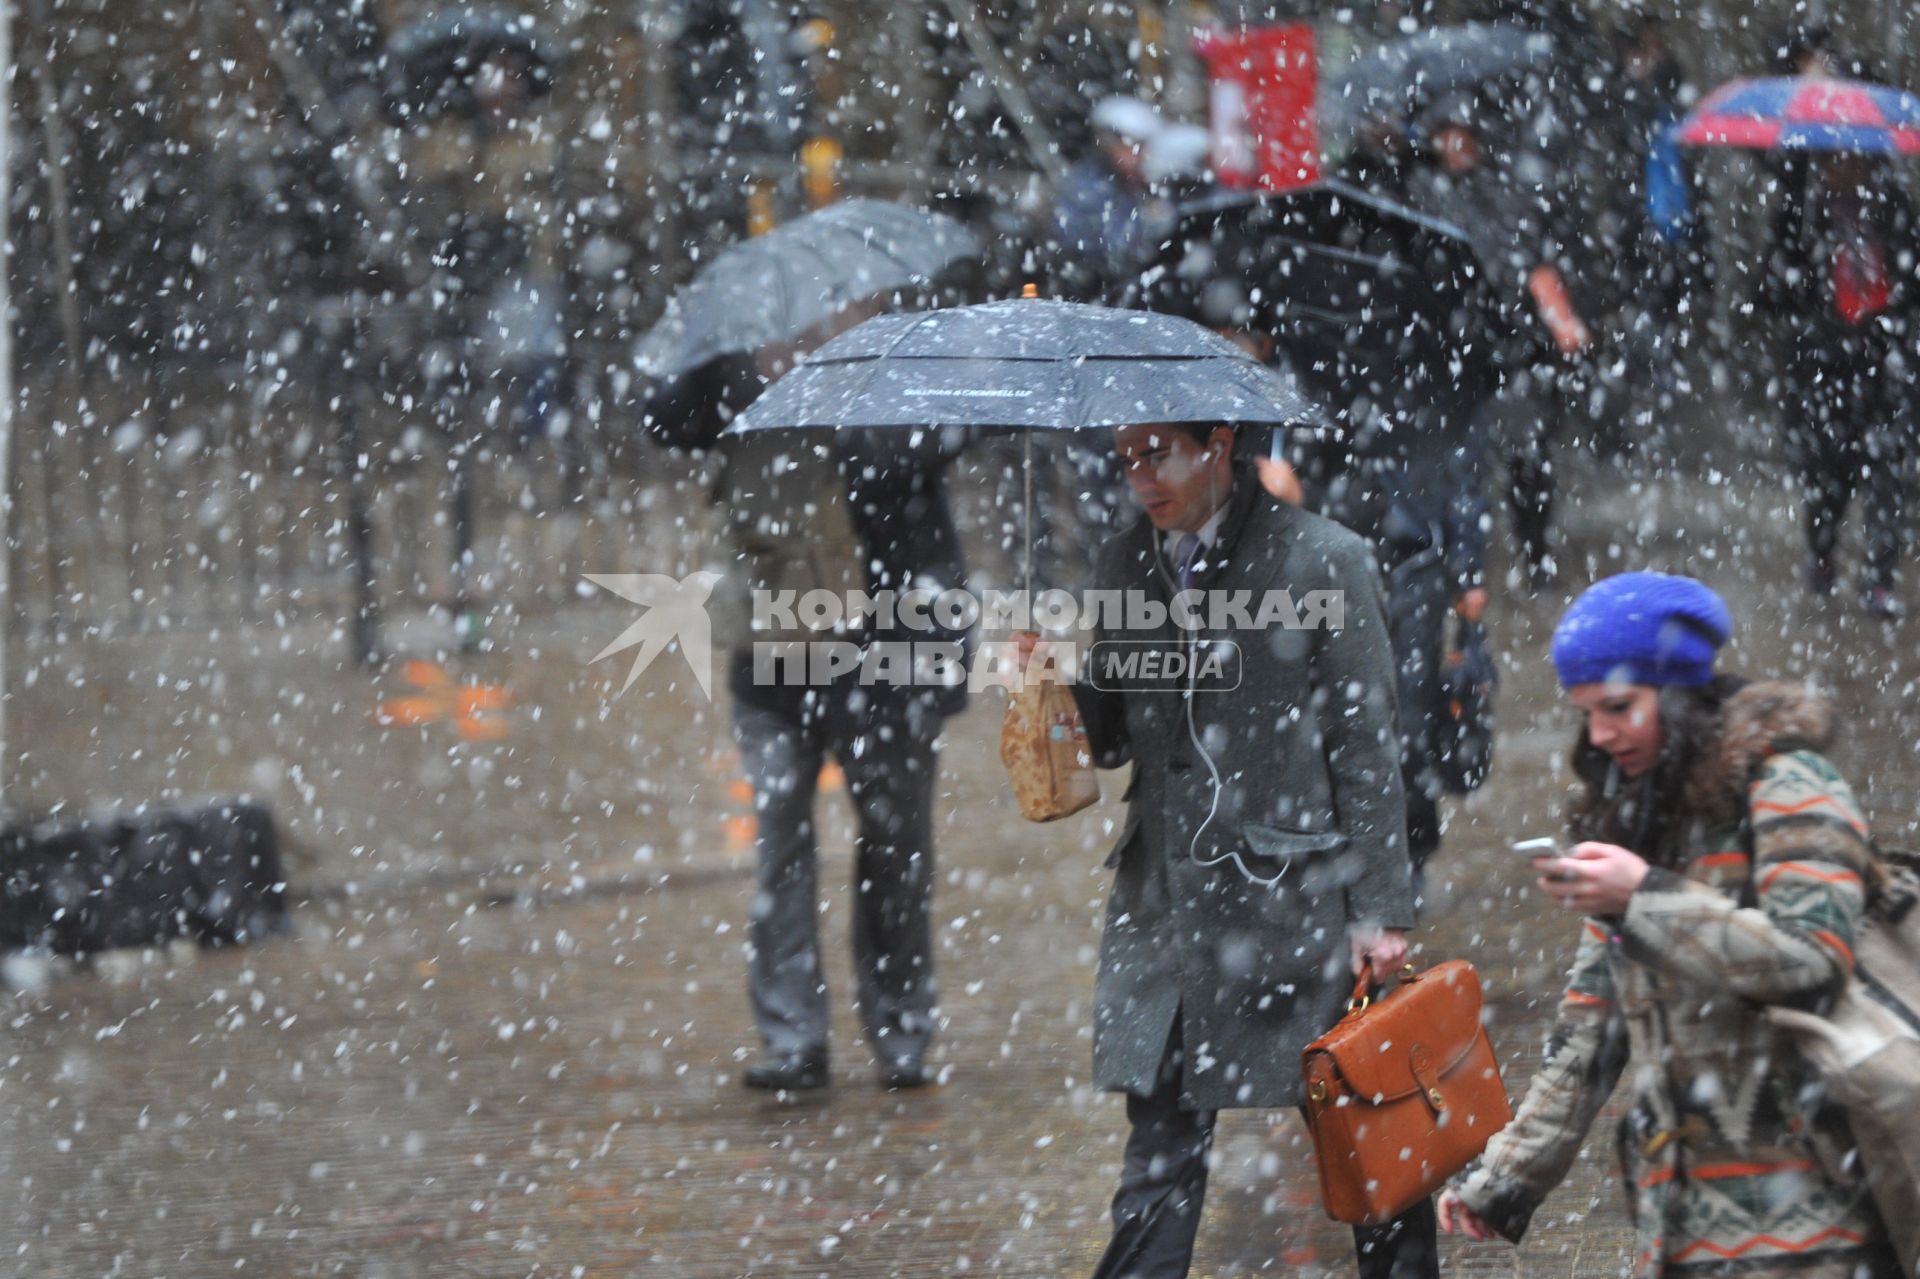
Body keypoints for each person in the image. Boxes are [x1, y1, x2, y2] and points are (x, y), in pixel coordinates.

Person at [1021, 420, 1433, 1278]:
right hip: (1166, 908)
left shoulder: (1324, 558)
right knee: (1158, 1156)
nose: (1140, 476)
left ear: (1218, 442)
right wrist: (1050, 681)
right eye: (1127, 458)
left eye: (1158, 452)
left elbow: (1367, 745)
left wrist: (1382, 908)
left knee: (1369, 1137)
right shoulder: (1123, 561)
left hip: (1295, 902)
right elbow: (1113, 738)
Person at [1437, 571, 1898, 1276]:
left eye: (1619, 706)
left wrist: (1644, 896)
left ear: (1679, 693)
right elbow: (1591, 1029)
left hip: (1813, 1212)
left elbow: (1811, 959)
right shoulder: (1639, 814)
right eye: (1586, 711)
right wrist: (1506, 1178)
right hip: (1682, 1222)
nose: (1600, 733)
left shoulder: (1790, 784)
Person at [642, 340, 971, 1094]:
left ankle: (901, 1030)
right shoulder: (736, 373)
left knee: (896, 847)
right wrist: (726, 364)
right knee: (781, 844)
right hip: (774, 656)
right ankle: (794, 1038)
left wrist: (836, 394)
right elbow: (666, 423)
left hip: (889, 659)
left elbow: (923, 452)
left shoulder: (902, 369)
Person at [1765, 151, 1917, 618]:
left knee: (1887, 476)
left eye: (1857, 160)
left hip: (1885, 367)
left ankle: (1879, 579)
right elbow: (1774, 292)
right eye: (1836, 160)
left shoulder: (1897, 213)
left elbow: (1911, 284)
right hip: (1822, 370)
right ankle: (1823, 554)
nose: (1848, 168)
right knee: (1826, 479)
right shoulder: (1802, 214)